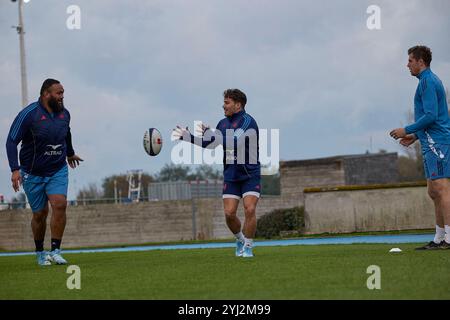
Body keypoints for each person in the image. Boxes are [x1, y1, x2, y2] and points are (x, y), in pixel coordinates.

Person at [173, 89, 260, 257]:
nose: (223, 105)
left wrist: (212, 134)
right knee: (229, 214)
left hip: (250, 174)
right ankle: (240, 239)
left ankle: (248, 246)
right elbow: (210, 144)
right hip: (231, 175)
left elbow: (234, 142)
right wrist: (187, 136)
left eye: (227, 102)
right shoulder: (223, 123)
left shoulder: (248, 122)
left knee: (250, 209)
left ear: (238, 104)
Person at [6, 78, 83, 265]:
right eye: (59, 93)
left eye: (63, 93)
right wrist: (15, 169)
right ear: (46, 94)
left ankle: (56, 250)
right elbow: (11, 141)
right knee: (40, 214)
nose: (62, 97)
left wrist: (70, 153)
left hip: (57, 169)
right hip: (32, 173)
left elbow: (67, 133)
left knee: (60, 204)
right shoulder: (28, 114)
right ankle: (40, 252)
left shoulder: (65, 114)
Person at [390, 45, 450, 250]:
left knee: (442, 189)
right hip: (429, 141)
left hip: (437, 143)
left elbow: (432, 116)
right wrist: (415, 136)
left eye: (410, 60)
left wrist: (405, 129)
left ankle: (449, 239)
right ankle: (439, 237)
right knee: (433, 191)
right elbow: (433, 116)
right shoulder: (426, 82)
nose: (407, 64)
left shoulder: (428, 82)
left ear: (420, 62)